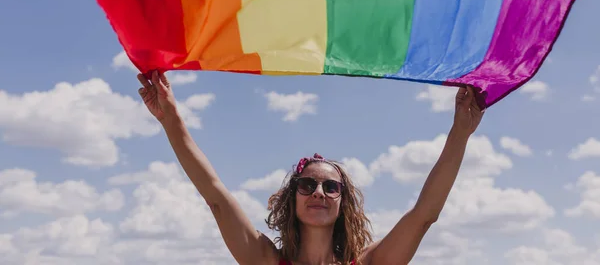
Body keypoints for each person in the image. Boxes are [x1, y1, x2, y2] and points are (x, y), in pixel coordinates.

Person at [137, 71, 484, 265]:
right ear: (294, 198)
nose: (319, 192)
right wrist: (171, 121)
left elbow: (424, 214)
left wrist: (460, 132)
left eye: (331, 187)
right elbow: (215, 195)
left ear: (342, 202)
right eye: (307, 185)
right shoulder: (266, 261)